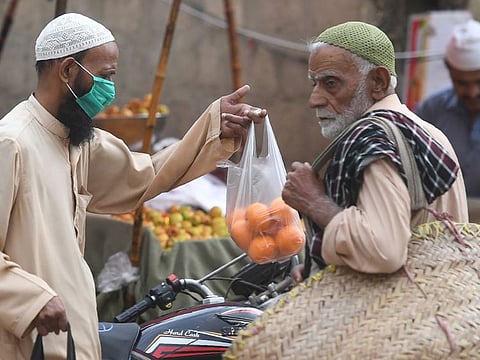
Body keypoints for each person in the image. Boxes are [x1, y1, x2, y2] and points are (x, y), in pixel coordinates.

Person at [0, 13, 265, 359]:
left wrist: (213, 128)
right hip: (28, 343)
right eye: (105, 76)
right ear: (67, 71)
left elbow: (146, 173)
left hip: (73, 339)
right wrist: (31, 298)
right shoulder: (12, 142)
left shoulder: (77, 142)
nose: (111, 89)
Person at [281, 21, 468, 284]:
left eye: (331, 83)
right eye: (315, 84)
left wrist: (315, 202)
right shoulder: (429, 132)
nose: (315, 99)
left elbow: (384, 251)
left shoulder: (371, 136)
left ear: (377, 82)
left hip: (400, 315)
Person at [414, 19, 480, 198]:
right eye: (462, 83)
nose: (473, 93)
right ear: (450, 71)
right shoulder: (431, 111)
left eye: (479, 82)